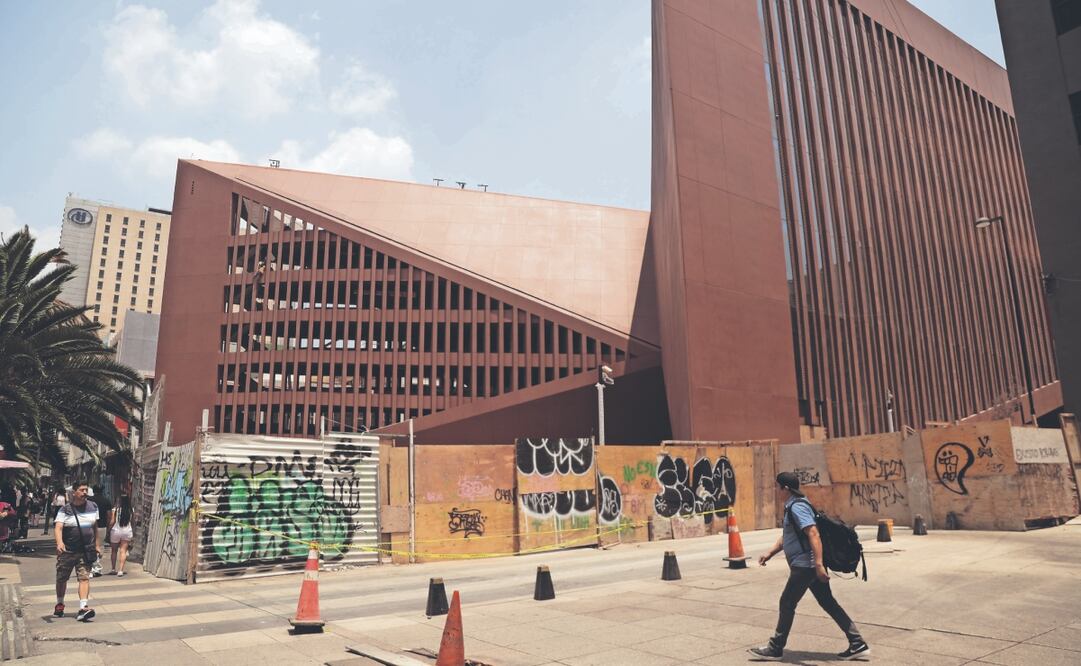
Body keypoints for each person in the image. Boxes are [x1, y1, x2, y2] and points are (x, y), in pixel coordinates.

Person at [750, 472, 870, 661]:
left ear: (785, 489)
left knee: (787, 602)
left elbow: (813, 534)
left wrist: (819, 565)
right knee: (828, 602)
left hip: (805, 566)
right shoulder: (795, 505)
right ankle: (857, 643)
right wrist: (770, 553)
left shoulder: (797, 507)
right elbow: (789, 535)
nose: (776, 490)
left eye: (777, 487)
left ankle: (775, 648)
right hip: (809, 565)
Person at [53, 481, 100, 621]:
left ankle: (83, 607)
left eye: (86, 490)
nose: (85, 492)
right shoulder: (65, 510)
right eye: (82, 490)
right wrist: (60, 543)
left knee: (84, 578)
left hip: (86, 550)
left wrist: (97, 544)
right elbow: (58, 527)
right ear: (74, 492)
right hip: (68, 551)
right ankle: (60, 603)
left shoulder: (93, 506)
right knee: (62, 578)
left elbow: (95, 527)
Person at [108, 495, 134, 576]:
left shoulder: (115, 510)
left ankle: (113, 569)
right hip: (127, 531)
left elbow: (112, 521)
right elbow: (133, 522)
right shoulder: (131, 510)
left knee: (114, 551)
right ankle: (120, 570)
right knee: (123, 550)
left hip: (116, 531)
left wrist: (108, 530)